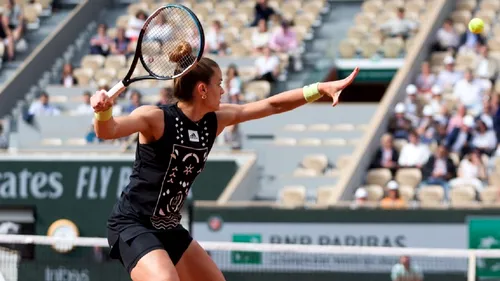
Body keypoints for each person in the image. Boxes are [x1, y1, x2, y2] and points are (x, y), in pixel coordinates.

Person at [91, 41, 359, 281]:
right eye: (219, 83)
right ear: (202, 89)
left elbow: (272, 105)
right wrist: (103, 112)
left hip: (169, 227)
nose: (224, 88)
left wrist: (319, 88)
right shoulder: (155, 118)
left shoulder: (214, 121)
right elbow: (107, 131)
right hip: (132, 223)